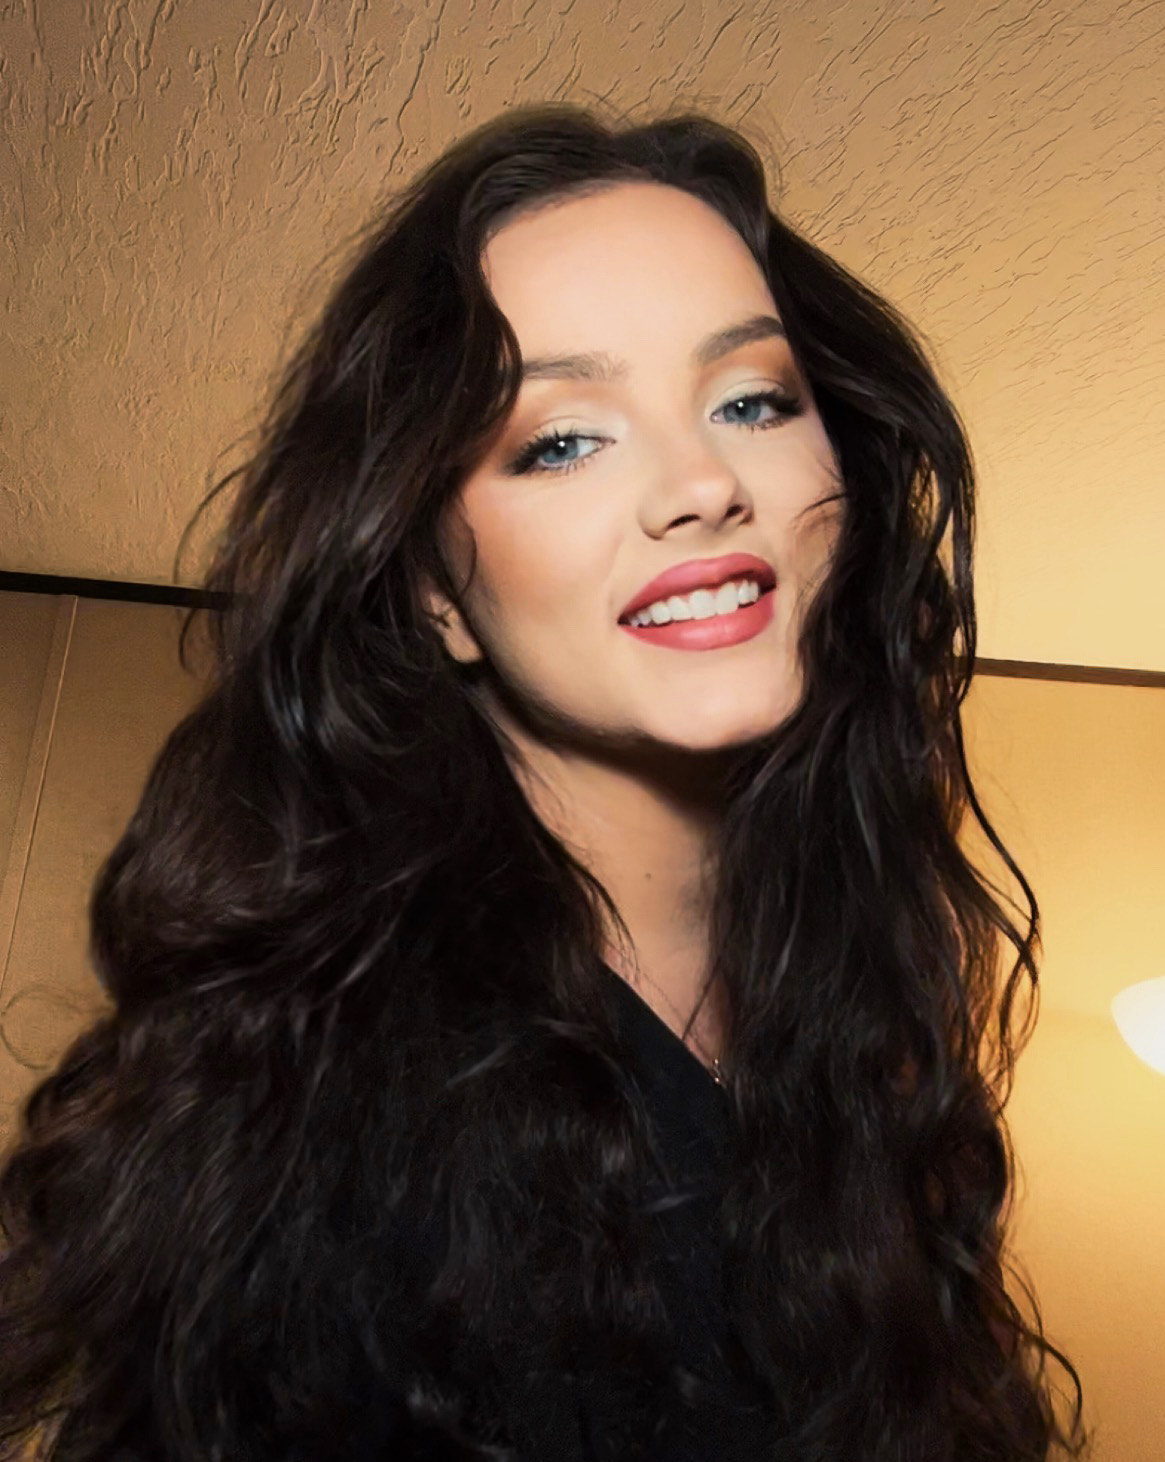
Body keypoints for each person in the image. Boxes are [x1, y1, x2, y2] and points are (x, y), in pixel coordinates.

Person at [0, 102, 1085, 1461]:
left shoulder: (846, 1041)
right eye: (562, 439)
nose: (701, 483)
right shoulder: (343, 1132)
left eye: (752, 399)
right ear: (435, 595)